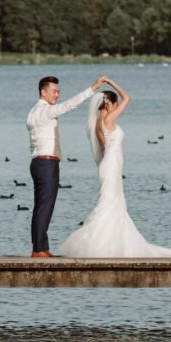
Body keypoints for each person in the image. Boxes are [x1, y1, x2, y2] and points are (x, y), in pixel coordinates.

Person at [59, 77, 171, 258]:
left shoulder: (99, 121)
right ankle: (102, 244)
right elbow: (127, 98)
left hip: (110, 163)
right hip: (112, 164)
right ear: (110, 104)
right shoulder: (108, 119)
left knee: (112, 202)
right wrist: (111, 83)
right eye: (115, 104)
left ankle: (110, 242)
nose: (116, 107)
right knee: (110, 202)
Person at [27, 73, 106, 257]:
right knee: (45, 206)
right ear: (43, 92)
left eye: (58, 92)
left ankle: (40, 248)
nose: (57, 95)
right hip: (46, 163)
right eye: (54, 91)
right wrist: (92, 89)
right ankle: (39, 250)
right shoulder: (45, 111)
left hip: (37, 162)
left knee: (41, 206)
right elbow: (70, 105)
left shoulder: (32, 112)